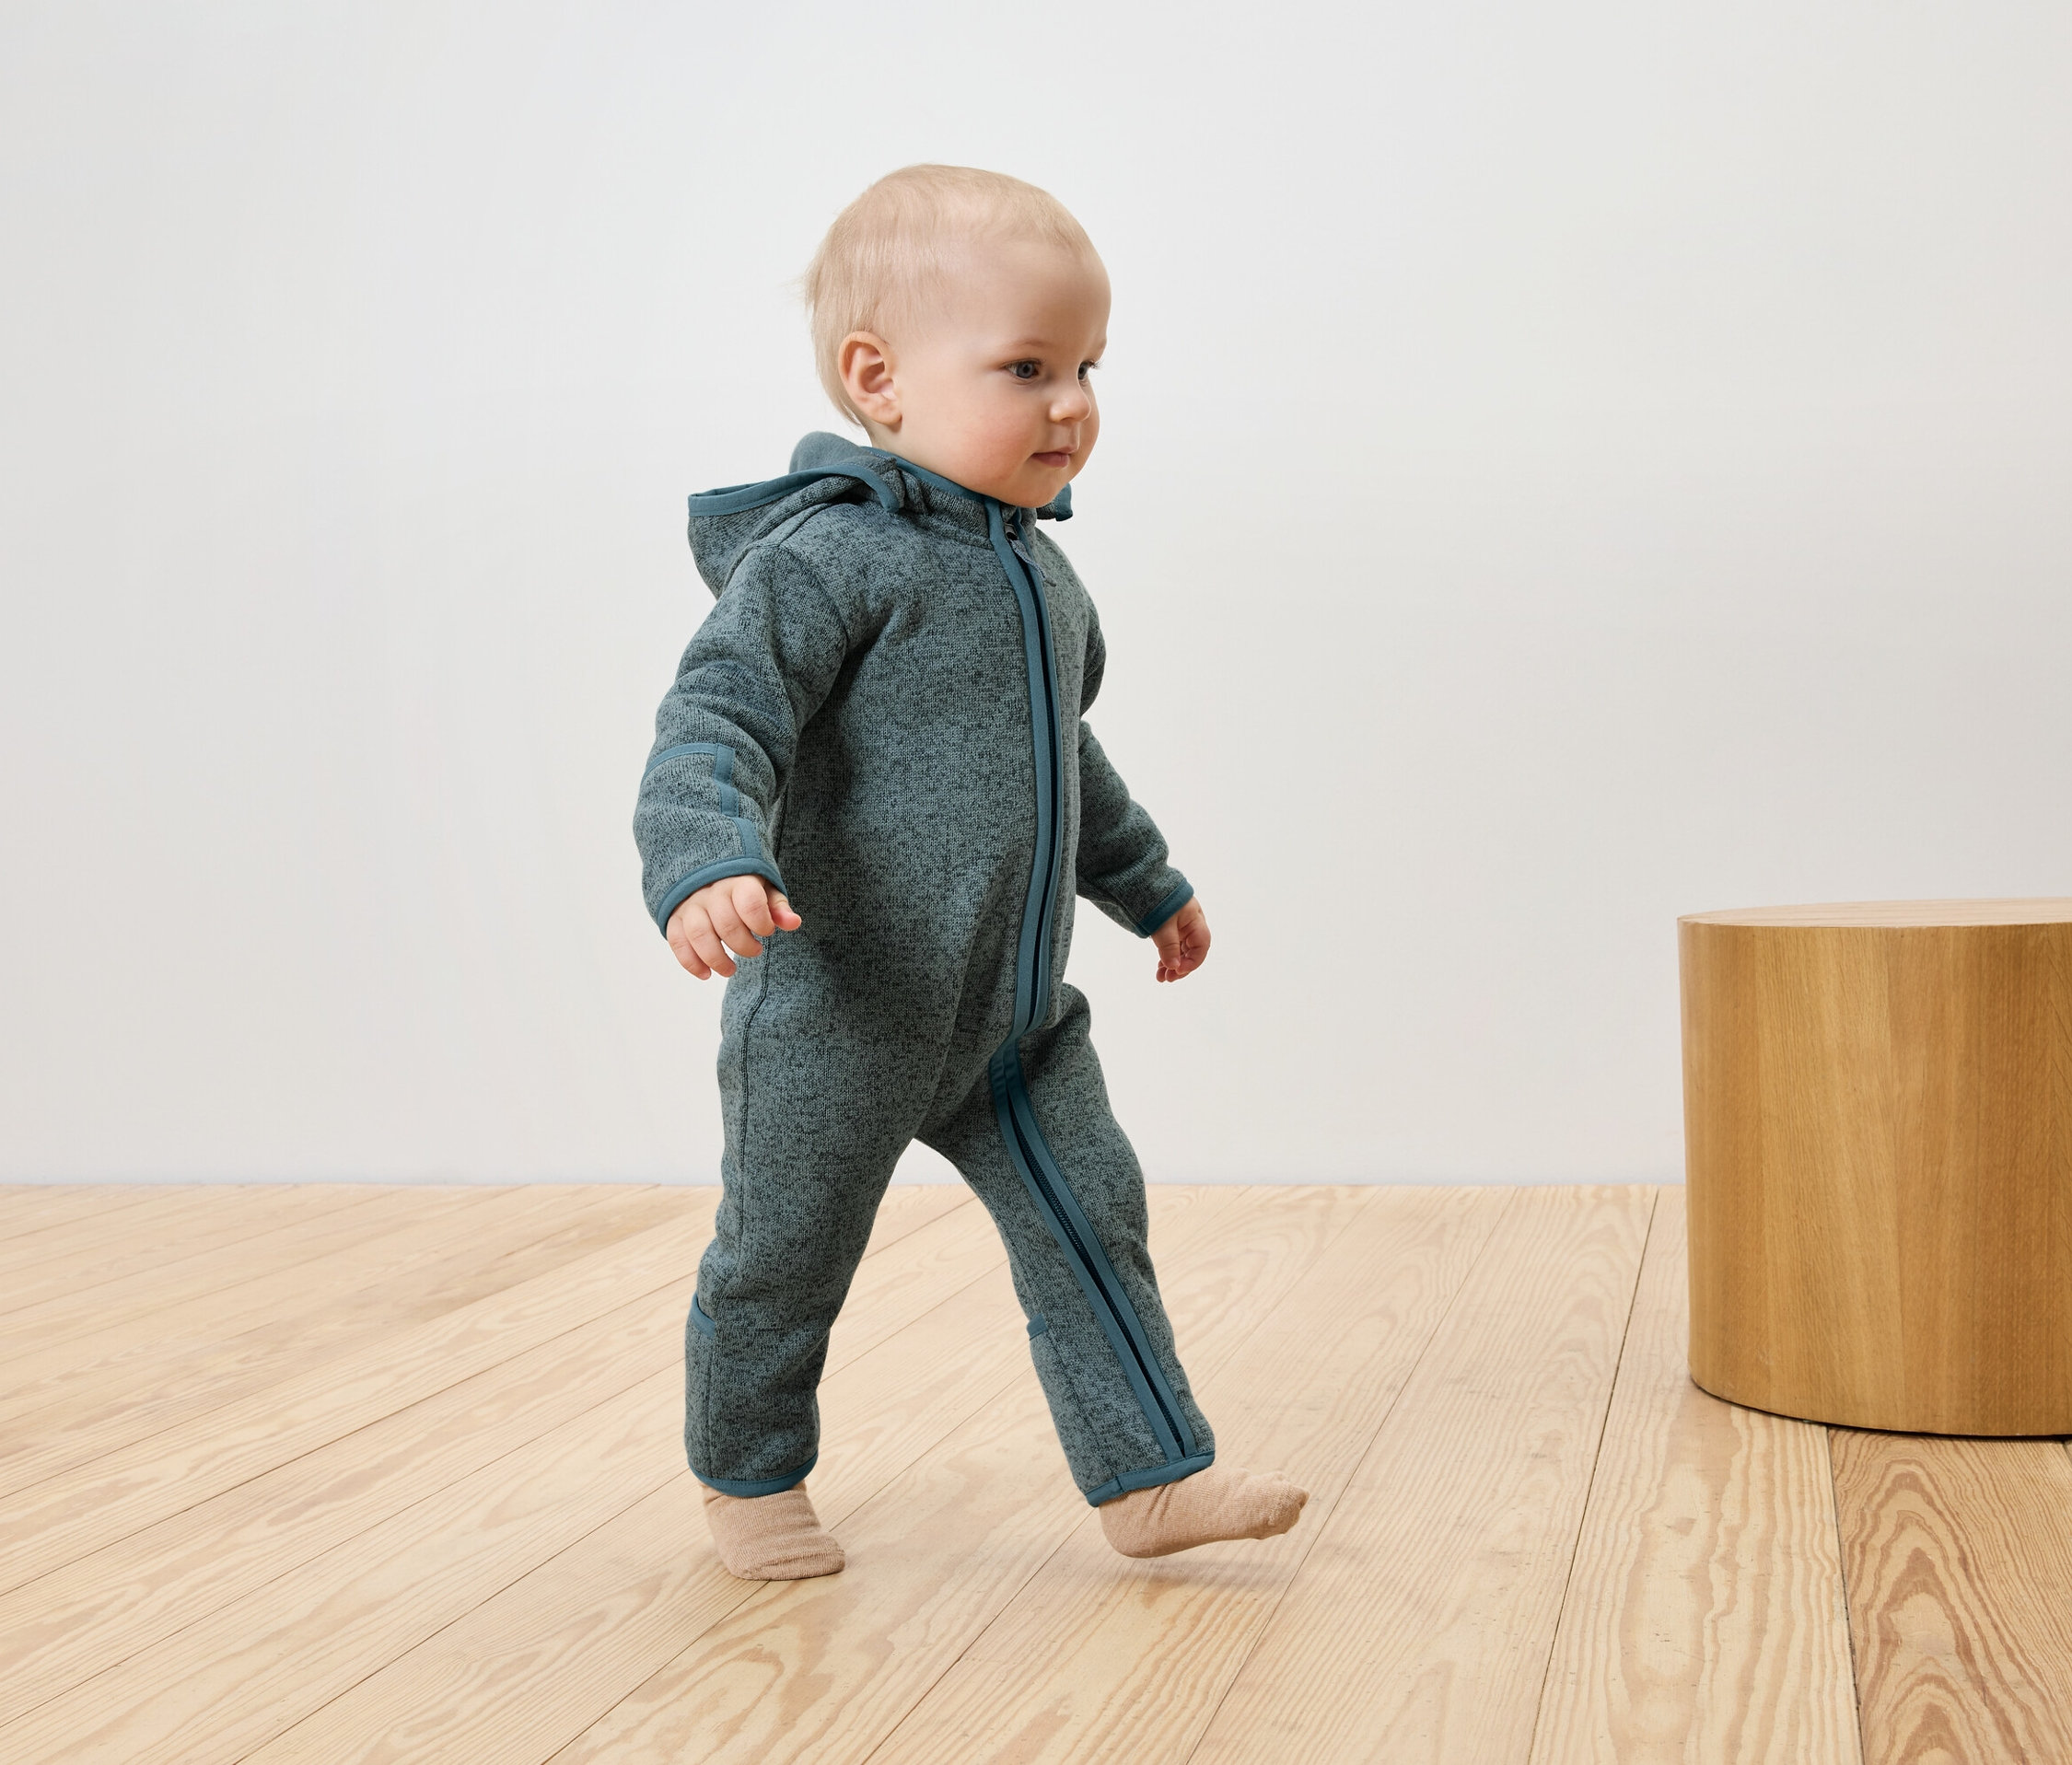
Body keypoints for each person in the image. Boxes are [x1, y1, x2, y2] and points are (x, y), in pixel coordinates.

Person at [634, 165, 1307, 1580]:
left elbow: (1069, 760)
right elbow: (716, 719)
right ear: (876, 378)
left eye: (1085, 368)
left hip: (1011, 1020)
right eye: (1025, 367)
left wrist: (1147, 884)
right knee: (783, 1254)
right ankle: (748, 1478)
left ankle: (1148, 1476)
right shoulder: (823, 561)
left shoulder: (1045, 580)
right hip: (843, 1008)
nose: (1070, 403)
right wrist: (704, 862)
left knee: (1092, 1216)